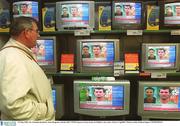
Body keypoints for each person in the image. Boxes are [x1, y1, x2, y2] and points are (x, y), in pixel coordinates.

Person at [0, 16, 55, 120]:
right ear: (26, 32)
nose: (38, 35)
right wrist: (45, 110)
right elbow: (14, 106)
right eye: (36, 31)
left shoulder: (16, 53)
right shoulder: (13, 58)